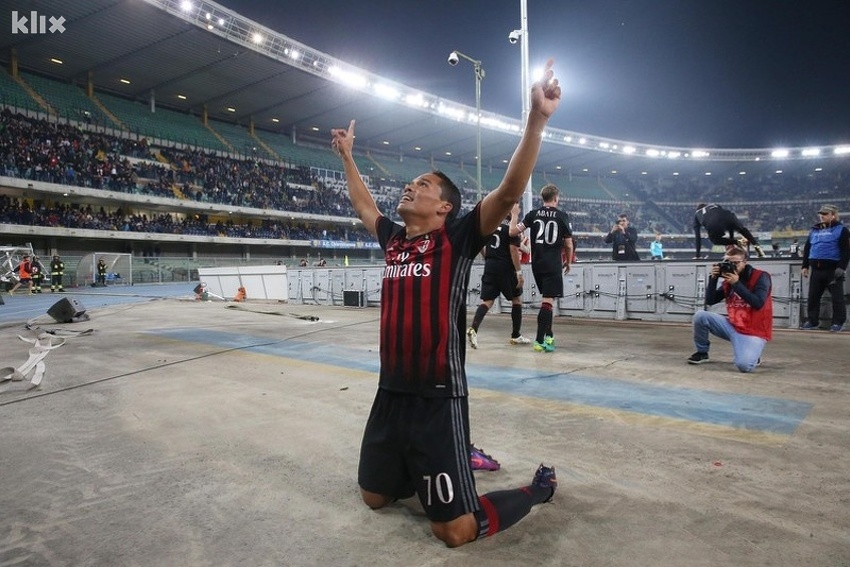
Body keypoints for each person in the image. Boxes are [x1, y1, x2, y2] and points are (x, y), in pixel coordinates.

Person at [329, 59, 561, 548]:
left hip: (438, 398)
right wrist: (347, 157)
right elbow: (363, 206)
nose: (410, 186)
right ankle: (438, 466)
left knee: (453, 531)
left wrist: (536, 121)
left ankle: (535, 491)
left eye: (425, 185)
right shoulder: (393, 239)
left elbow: (509, 191)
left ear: (444, 207)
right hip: (390, 393)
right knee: (374, 497)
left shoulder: (457, 238)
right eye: (412, 182)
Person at [509, 184, 573, 352]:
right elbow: (568, 244)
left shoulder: (532, 215)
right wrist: (569, 261)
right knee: (548, 301)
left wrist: (514, 215)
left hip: (536, 264)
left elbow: (512, 232)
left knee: (548, 300)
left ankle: (549, 335)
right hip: (552, 263)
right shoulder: (561, 216)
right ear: (556, 198)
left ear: (542, 198)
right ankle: (539, 341)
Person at [687, 245, 772, 372]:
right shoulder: (728, 281)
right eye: (727, 262)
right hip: (733, 326)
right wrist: (713, 279)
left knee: (744, 366)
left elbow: (758, 303)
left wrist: (736, 284)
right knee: (700, 316)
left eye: (736, 263)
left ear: (745, 262)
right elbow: (710, 301)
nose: (731, 266)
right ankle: (702, 352)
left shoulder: (761, 277)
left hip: (754, 330)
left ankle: (753, 354)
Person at [466, 203, 532, 349]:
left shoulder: (491, 225)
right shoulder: (512, 228)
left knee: (487, 301)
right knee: (516, 300)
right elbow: (514, 250)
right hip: (505, 267)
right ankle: (516, 335)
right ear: (511, 212)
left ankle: (473, 329)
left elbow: (480, 246)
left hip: (490, 265)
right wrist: (519, 273)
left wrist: (488, 258)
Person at [800, 204, 849, 332]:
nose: (822, 216)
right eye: (821, 214)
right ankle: (812, 321)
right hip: (816, 270)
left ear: (833, 215)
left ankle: (838, 323)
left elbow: (846, 250)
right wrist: (805, 265)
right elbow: (808, 248)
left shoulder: (842, 230)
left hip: (833, 271)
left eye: (825, 214)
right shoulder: (814, 230)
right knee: (813, 297)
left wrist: (841, 267)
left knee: (837, 298)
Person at [693, 203, 765, 258]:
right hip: (729, 215)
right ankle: (757, 246)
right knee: (742, 229)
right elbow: (728, 223)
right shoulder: (714, 205)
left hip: (713, 222)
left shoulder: (697, 214)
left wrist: (698, 255)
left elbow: (698, 237)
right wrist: (732, 238)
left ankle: (739, 242)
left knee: (715, 240)